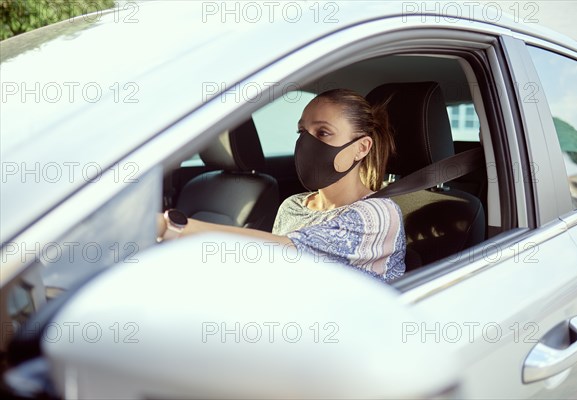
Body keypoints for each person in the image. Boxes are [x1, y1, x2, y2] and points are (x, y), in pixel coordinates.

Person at [157, 89, 406, 281]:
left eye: (323, 133)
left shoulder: (379, 213)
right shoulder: (293, 205)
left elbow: (287, 252)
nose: (306, 143)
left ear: (361, 148)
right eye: (302, 132)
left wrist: (171, 226)